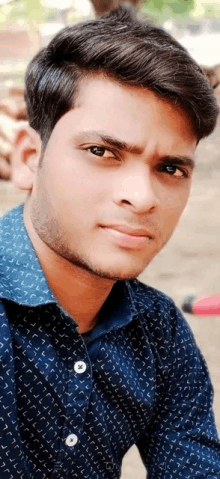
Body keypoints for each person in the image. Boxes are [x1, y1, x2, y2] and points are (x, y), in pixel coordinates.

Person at [0, 6, 220, 479]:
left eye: (170, 168)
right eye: (102, 152)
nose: (142, 198)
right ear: (28, 158)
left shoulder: (159, 331)